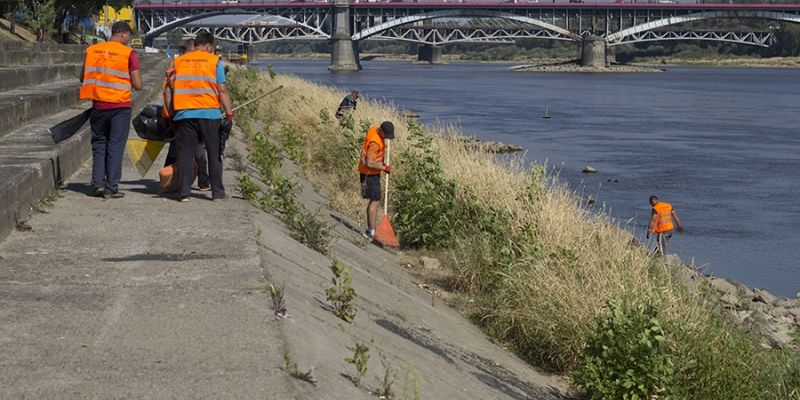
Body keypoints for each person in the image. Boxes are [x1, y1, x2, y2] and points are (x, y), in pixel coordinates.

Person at [164, 31, 233, 202]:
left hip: (184, 114)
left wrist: (172, 114)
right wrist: (229, 113)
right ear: (209, 46)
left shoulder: (178, 61)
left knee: (185, 154)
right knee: (214, 153)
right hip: (210, 114)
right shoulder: (214, 61)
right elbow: (222, 89)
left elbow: (168, 90)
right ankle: (217, 193)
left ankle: (184, 193)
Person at [79, 21, 143, 199]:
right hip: (119, 107)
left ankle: (97, 184)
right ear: (123, 34)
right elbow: (138, 85)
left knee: (99, 144)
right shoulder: (128, 53)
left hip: (98, 105)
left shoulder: (92, 50)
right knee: (115, 146)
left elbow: (82, 77)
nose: (128, 39)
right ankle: (111, 188)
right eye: (128, 36)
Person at [358, 121, 394, 240]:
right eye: (386, 135)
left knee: (376, 199)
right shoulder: (375, 143)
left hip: (371, 173)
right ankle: (371, 231)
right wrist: (384, 167)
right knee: (375, 200)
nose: (387, 138)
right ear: (382, 132)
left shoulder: (374, 129)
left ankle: (371, 230)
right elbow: (369, 163)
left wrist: (382, 162)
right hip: (369, 174)